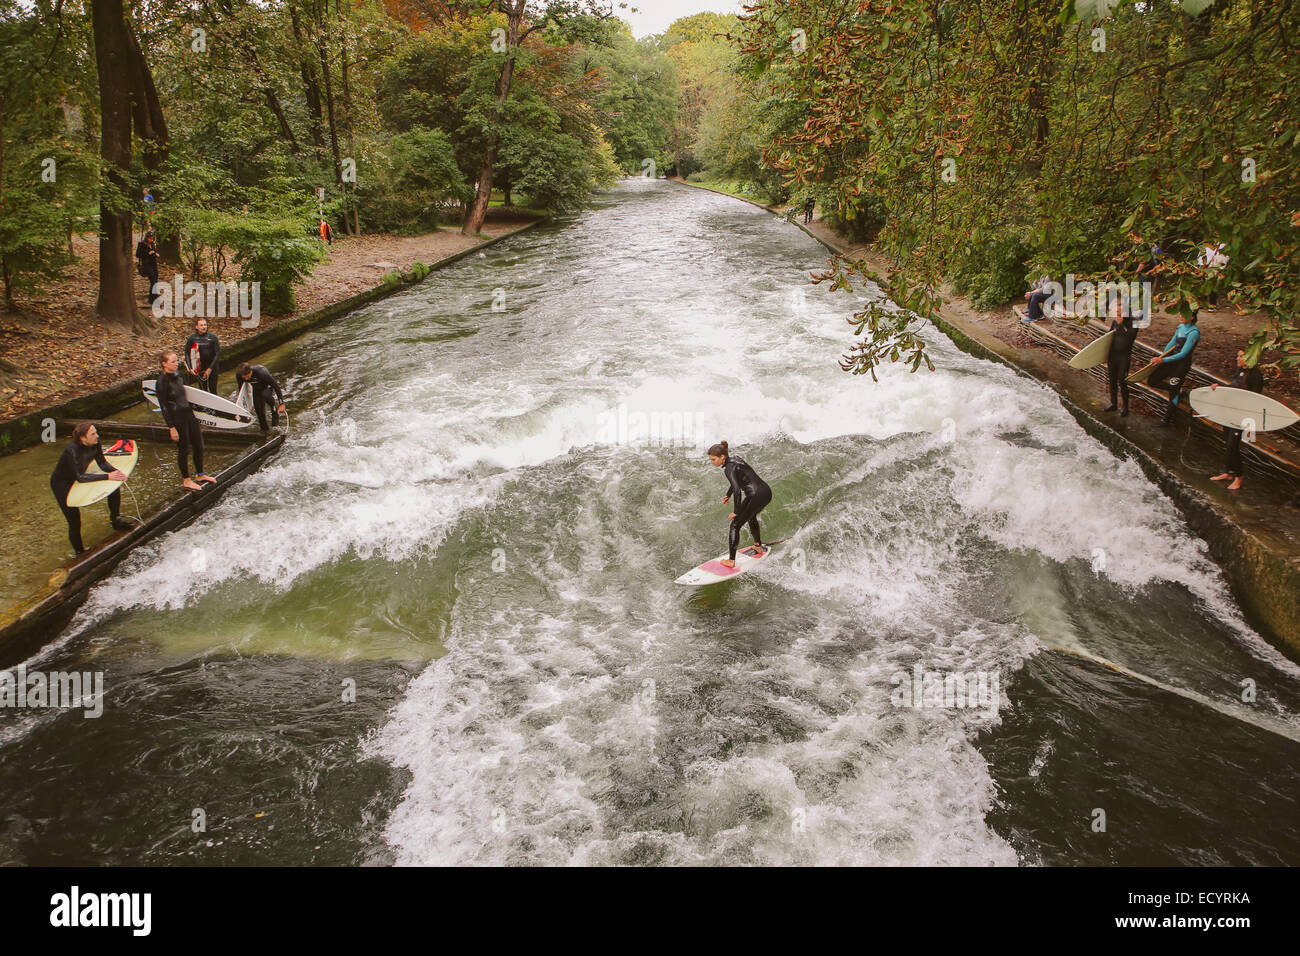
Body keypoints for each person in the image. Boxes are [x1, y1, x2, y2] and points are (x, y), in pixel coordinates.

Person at [49, 423, 136, 554]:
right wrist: (107, 476)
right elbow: (80, 477)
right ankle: (80, 552)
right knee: (74, 520)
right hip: (62, 483)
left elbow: (102, 462)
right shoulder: (71, 450)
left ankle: (116, 520)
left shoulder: (96, 442)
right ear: (83, 438)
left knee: (114, 487)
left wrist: (116, 472)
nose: (97, 436)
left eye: (96, 432)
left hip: (82, 475)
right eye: (93, 434)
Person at [157, 350, 215, 491]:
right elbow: (164, 406)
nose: (176, 364)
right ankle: (186, 479)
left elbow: (187, 392)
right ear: (164, 364)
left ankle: (200, 474)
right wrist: (171, 427)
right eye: (173, 361)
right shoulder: (161, 382)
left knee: (198, 445)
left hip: (189, 414)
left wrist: (191, 375)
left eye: (177, 361)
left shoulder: (179, 375)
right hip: (177, 418)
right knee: (183, 449)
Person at [708, 440, 772, 568]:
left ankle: (731, 561)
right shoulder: (736, 459)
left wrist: (736, 511)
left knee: (735, 525)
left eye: (713, 459)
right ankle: (757, 545)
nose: (712, 462)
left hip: (755, 496)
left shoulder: (728, 469)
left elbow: (737, 490)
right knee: (751, 517)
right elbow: (737, 482)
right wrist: (728, 494)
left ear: (722, 457)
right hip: (766, 492)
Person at [1211, 349, 1265, 492]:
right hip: (1231, 412)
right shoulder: (1239, 369)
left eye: (1241, 356)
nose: (1237, 359)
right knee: (1226, 441)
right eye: (1238, 356)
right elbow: (1233, 387)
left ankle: (1238, 478)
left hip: (1243, 416)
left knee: (1232, 446)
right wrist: (1220, 387)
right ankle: (1229, 473)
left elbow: (1255, 398)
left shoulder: (1255, 375)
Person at [1148, 313, 1201, 426]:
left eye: (1184, 314)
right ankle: (1177, 390)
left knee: (1173, 391)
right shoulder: (1181, 327)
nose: (1180, 316)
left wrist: (1163, 360)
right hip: (1171, 361)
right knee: (1152, 380)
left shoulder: (1193, 333)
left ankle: (1166, 420)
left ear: (1191, 317)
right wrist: (1161, 357)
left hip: (1181, 365)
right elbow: (1171, 343)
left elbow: (1183, 354)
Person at [1103, 296, 1139, 417]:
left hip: (1124, 357)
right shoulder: (1114, 322)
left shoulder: (1133, 324)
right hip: (1113, 356)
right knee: (1112, 380)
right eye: (1116, 312)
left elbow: (1129, 339)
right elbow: (1108, 338)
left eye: (1120, 312)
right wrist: (1104, 355)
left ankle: (1125, 407)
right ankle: (1114, 404)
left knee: (1122, 382)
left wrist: (1121, 324)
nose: (1117, 315)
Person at [236, 362, 286, 431]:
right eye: (244, 378)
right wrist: (247, 403)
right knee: (259, 412)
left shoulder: (262, 373)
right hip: (256, 390)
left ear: (250, 371)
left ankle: (275, 425)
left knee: (266, 397)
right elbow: (241, 390)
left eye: (247, 376)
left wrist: (282, 404)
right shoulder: (239, 375)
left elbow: (276, 386)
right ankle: (265, 431)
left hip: (266, 388)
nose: (246, 379)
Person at [184, 317, 221, 395]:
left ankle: (215, 406)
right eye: (201, 325)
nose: (204, 327)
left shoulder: (213, 337)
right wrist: (190, 368)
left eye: (205, 325)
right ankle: (205, 406)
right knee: (203, 390)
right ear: (196, 327)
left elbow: (217, 354)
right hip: (200, 367)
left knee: (213, 389)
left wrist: (210, 369)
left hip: (212, 367)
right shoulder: (192, 338)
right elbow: (187, 353)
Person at [1197, 241, 1228, 312]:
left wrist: (1220, 268)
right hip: (1205, 269)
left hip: (1215, 270)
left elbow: (1225, 258)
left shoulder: (1223, 246)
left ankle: (1212, 304)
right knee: (1203, 285)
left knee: (1213, 288)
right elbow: (1200, 257)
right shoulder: (1205, 246)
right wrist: (1201, 266)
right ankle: (1202, 303)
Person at [135, 229, 160, 306]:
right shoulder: (141, 244)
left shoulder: (152, 244)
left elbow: (154, 252)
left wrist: (155, 254)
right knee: (153, 280)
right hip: (146, 265)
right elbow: (138, 255)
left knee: (155, 281)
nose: (151, 239)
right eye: (150, 238)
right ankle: (153, 300)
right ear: (146, 237)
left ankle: (152, 298)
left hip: (153, 264)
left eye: (152, 238)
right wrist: (147, 253)